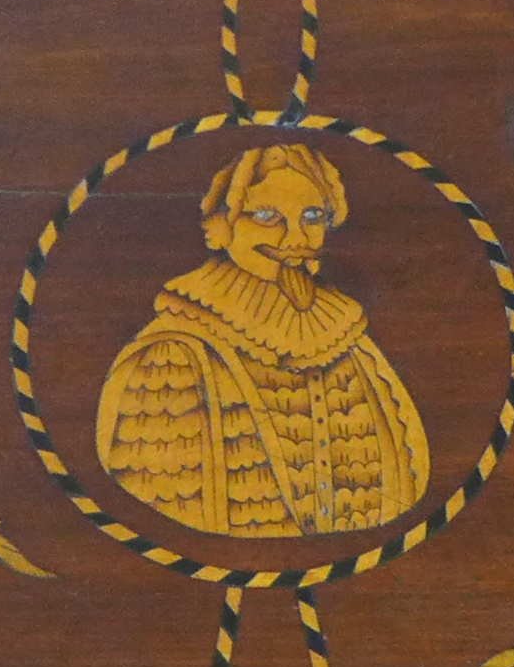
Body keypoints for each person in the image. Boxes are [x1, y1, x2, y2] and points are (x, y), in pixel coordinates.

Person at [97, 142, 430, 539]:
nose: (295, 237)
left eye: (312, 215)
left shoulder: (350, 341)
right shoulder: (175, 355)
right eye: (268, 216)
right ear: (223, 226)